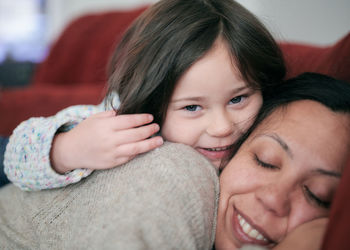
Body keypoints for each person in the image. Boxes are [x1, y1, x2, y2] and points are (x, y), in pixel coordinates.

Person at [0, 72, 349, 250]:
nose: (274, 200)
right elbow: (18, 153)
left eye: (318, 195)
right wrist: (66, 150)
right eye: (266, 161)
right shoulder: (174, 167)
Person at [4, 0, 286, 191]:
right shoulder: (118, 120)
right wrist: (69, 149)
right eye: (191, 107)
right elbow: (15, 158)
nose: (223, 127)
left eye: (238, 99)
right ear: (151, 101)